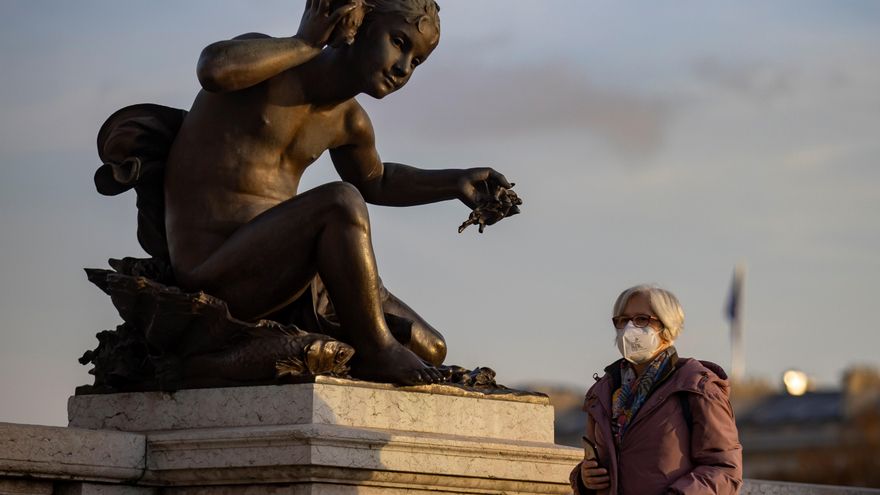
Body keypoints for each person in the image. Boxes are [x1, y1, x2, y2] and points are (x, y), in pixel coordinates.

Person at [155, 0, 517, 386]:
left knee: (429, 348)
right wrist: (306, 43)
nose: (403, 68)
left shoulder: (350, 121)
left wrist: (454, 181)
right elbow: (213, 69)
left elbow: (376, 179)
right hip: (217, 269)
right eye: (398, 42)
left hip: (285, 271)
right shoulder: (269, 68)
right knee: (340, 202)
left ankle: (353, 350)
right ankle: (375, 352)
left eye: (416, 62)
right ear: (357, 24)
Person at [570, 285, 743, 494]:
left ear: (667, 325)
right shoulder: (603, 393)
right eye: (622, 320)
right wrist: (584, 478)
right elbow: (605, 463)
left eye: (641, 319)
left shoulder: (697, 388)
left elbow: (724, 469)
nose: (629, 328)